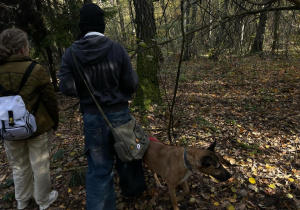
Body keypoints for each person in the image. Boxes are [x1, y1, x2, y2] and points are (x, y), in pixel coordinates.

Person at [59, 3, 146, 210]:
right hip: (119, 114)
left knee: (99, 170)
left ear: (82, 26)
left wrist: (85, 91)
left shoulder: (71, 53)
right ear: (102, 24)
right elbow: (132, 83)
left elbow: (66, 87)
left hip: (92, 118)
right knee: (130, 153)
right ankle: (133, 191)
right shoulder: (117, 49)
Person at [0, 28, 59, 210]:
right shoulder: (36, 69)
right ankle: (42, 200)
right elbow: (50, 99)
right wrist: (55, 121)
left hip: (8, 128)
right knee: (40, 165)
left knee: (18, 166)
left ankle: (22, 200)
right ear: (23, 48)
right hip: (37, 126)